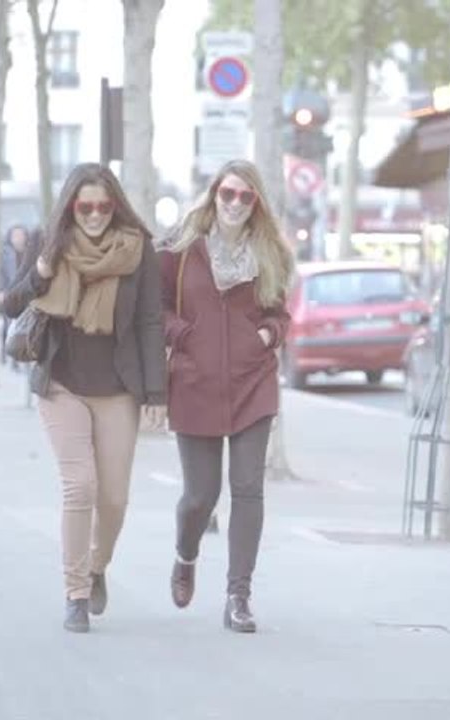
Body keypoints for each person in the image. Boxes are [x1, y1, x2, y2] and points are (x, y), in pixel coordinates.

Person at [1, 163, 167, 633]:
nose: (94, 215)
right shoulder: (49, 242)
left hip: (118, 386)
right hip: (62, 383)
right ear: (71, 206)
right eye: (85, 206)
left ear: (115, 207)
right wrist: (37, 273)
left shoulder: (138, 250)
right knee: (80, 487)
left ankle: (96, 567)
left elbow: (150, 322)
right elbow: (12, 304)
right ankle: (75, 591)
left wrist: (158, 392)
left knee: (113, 498)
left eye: (103, 206)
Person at [158, 159, 295, 633]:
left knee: (247, 488)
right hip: (194, 382)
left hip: (252, 382)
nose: (235, 203)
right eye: (227, 194)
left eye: (245, 196)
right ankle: (185, 554)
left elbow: (280, 314)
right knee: (201, 495)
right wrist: (183, 334)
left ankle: (239, 596)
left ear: (256, 203)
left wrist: (267, 337)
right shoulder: (180, 247)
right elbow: (154, 308)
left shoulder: (272, 253)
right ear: (213, 194)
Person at [0, 224, 31, 365]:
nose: (18, 238)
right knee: (8, 324)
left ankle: (21, 353)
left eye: (20, 235)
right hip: (10, 293)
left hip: (27, 293)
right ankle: (6, 352)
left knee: (26, 324)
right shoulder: (4, 254)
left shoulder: (30, 253)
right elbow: (0, 273)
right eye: (15, 235)